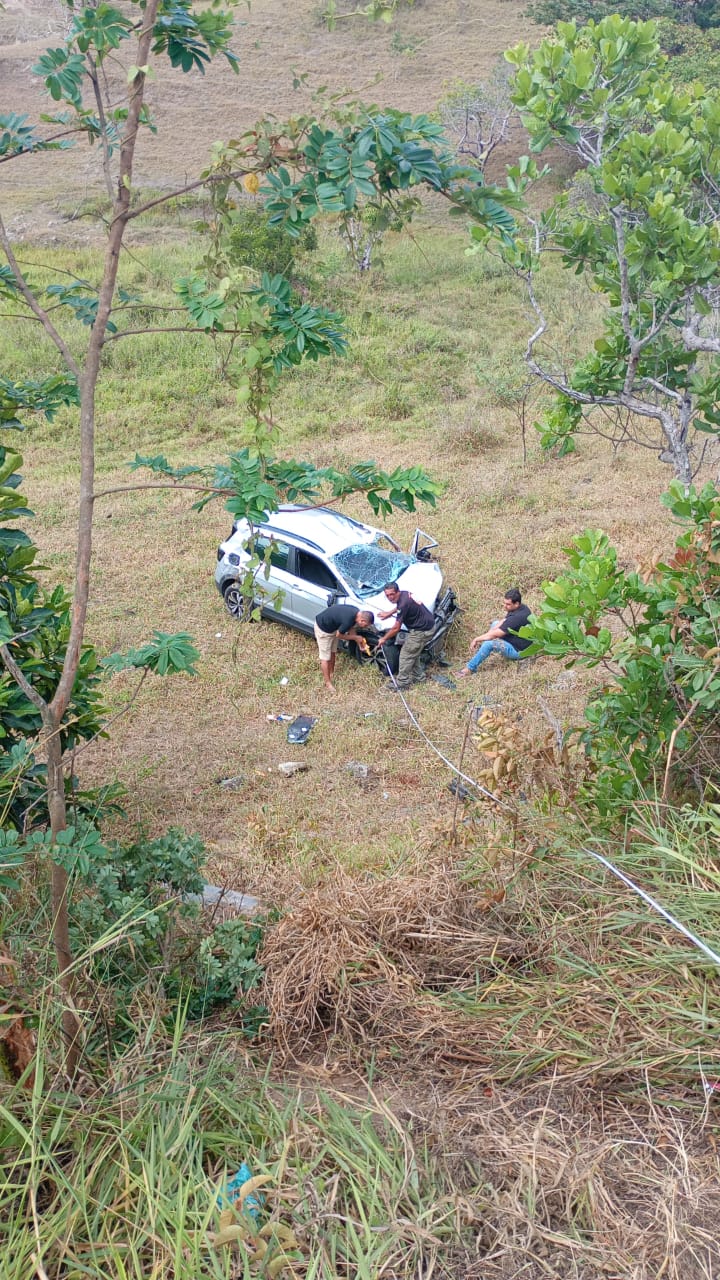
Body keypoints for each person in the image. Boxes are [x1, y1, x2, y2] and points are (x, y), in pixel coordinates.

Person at [457, 588, 532, 676]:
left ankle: (469, 668)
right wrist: (489, 634)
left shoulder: (517, 618)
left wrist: (477, 639)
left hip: (519, 651)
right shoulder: (520, 608)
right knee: (495, 623)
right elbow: (504, 620)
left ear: (516, 604)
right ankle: (483, 650)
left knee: (489, 644)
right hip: (517, 639)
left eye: (508, 604)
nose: (505, 606)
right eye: (504, 603)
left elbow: (495, 634)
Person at [376, 581, 435, 690]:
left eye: (392, 594)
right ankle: (419, 677)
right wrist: (389, 613)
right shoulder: (405, 594)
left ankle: (402, 682)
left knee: (406, 655)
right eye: (387, 595)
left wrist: (384, 639)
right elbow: (400, 607)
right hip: (428, 625)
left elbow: (396, 628)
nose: (390, 597)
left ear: (397, 592)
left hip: (421, 631)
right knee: (412, 652)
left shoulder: (403, 603)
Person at [314, 603, 374, 691]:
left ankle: (331, 672)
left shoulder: (356, 613)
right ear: (362, 620)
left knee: (333, 652)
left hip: (334, 628)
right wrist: (356, 637)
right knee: (325, 658)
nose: (365, 627)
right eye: (365, 625)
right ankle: (328, 683)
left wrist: (359, 644)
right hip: (323, 629)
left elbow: (351, 629)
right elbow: (339, 635)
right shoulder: (348, 619)